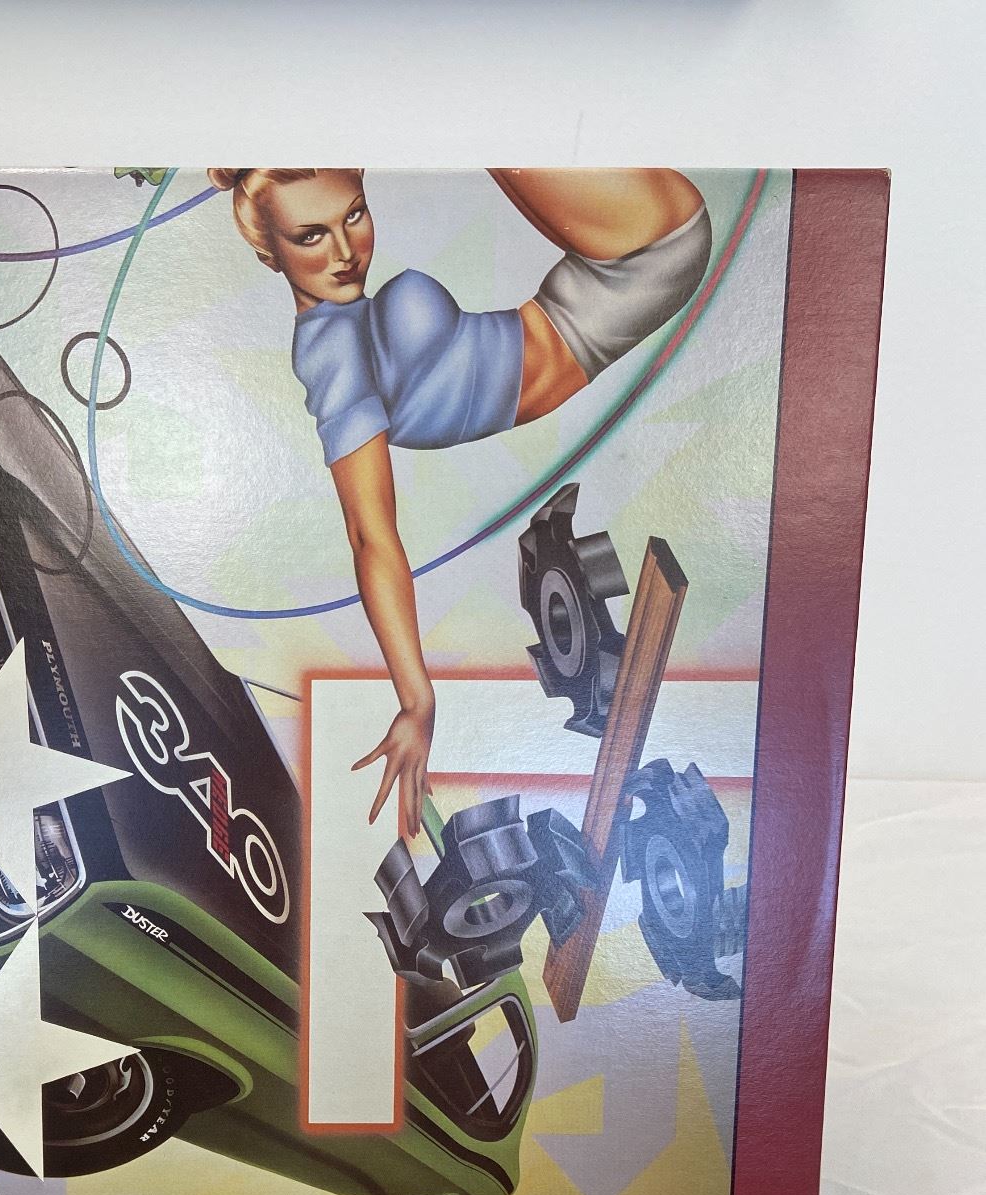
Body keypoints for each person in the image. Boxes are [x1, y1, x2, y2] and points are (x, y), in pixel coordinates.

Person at [207, 166, 711, 836]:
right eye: (310, 236)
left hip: (598, 276)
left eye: (354, 215)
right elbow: (370, 534)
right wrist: (416, 698)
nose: (344, 251)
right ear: (268, 251)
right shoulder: (332, 354)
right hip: (640, 260)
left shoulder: (350, 322)